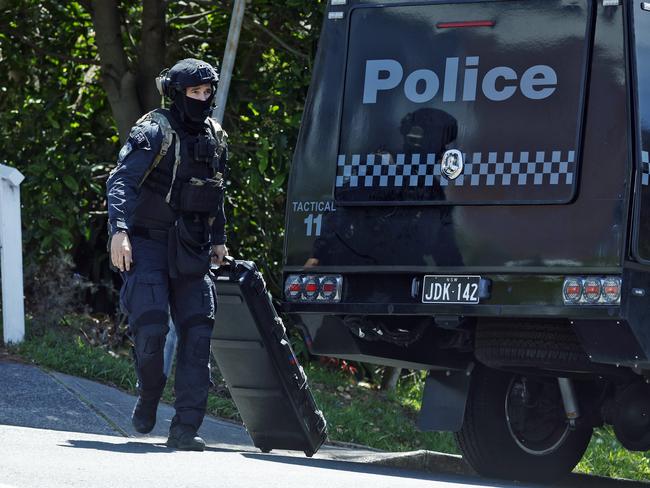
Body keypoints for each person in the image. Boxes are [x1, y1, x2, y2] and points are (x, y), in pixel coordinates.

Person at [106, 58, 228, 451]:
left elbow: (215, 192)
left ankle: (185, 429)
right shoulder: (154, 130)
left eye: (208, 92)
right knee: (152, 327)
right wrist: (119, 232)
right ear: (177, 94)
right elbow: (121, 180)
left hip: (192, 245)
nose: (203, 99)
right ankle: (149, 393)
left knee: (198, 333)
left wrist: (219, 240)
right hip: (148, 241)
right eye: (195, 92)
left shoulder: (214, 136)